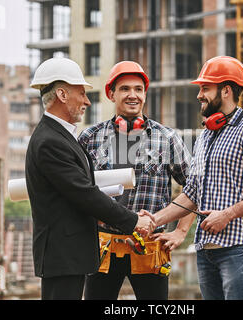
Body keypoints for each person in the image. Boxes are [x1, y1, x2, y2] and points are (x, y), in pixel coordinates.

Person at [153, 56, 243, 300]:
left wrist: (227, 214)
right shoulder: (205, 137)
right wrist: (155, 219)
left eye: (205, 88)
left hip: (237, 248)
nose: (199, 95)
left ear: (226, 90)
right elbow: (191, 193)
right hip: (205, 250)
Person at [25, 57, 155, 300]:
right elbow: (84, 194)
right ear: (62, 94)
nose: (86, 101)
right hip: (63, 257)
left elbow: (82, 190)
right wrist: (134, 220)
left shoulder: (59, 136)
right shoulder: (51, 142)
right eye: (81, 93)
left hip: (68, 257)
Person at [79, 61, 194, 300]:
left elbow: (194, 186)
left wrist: (181, 232)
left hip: (150, 247)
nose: (133, 95)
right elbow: (77, 191)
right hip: (103, 247)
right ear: (111, 93)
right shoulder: (90, 138)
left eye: (138, 89)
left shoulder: (167, 138)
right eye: (125, 89)